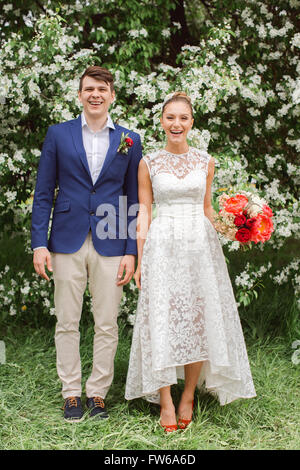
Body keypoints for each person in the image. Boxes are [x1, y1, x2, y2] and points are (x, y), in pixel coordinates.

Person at [125, 92, 256, 432]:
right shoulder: (148, 163)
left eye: (183, 118)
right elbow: (144, 212)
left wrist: (238, 229)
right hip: (163, 247)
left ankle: (188, 396)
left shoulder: (206, 161)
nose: (176, 124)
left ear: (192, 122)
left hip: (200, 248)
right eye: (171, 117)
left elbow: (207, 209)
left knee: (198, 319)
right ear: (162, 121)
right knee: (163, 319)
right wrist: (140, 262)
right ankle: (166, 400)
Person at [31, 66, 142, 422]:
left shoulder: (129, 139)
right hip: (66, 238)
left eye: (102, 89)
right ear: (80, 95)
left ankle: (97, 393)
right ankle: (70, 393)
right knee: (67, 319)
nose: (95, 94)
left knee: (108, 321)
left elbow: (132, 197)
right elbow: (44, 192)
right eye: (89, 89)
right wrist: (39, 243)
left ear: (112, 95)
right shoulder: (58, 135)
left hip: (111, 239)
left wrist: (131, 250)